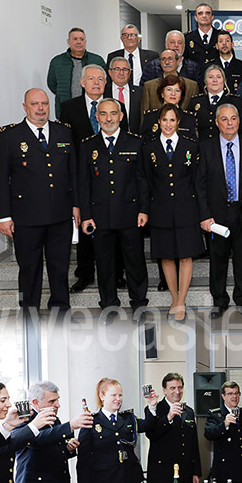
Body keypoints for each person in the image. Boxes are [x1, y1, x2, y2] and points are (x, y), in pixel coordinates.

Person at [0, 88, 79, 313]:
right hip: (26, 216)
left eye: (44, 104)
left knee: (59, 266)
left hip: (60, 214)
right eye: (35, 104)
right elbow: (1, 179)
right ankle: (29, 310)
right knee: (29, 268)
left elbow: (73, 173)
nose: (40, 108)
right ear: (25, 107)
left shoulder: (64, 132)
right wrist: (3, 216)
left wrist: (77, 205)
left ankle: (60, 307)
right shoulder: (9, 136)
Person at [60, 64, 129, 294]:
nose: (97, 83)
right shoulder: (69, 108)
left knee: (114, 232)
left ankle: (117, 276)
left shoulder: (115, 107)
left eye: (101, 79)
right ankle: (85, 275)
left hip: (111, 180)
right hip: (82, 178)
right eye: (92, 79)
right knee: (86, 231)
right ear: (82, 82)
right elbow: (65, 145)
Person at [79, 98, 149, 319]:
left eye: (112, 114)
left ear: (121, 116)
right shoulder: (88, 145)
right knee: (105, 263)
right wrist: (86, 216)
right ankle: (109, 305)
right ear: (97, 117)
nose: (108, 118)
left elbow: (143, 180)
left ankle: (139, 303)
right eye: (103, 114)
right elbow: (84, 184)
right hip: (100, 216)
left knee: (135, 262)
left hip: (130, 213)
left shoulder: (135, 143)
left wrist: (144, 210)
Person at [140, 104, 203, 322]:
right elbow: (146, 181)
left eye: (172, 120)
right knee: (166, 255)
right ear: (158, 122)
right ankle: (174, 298)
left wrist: (203, 212)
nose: (168, 124)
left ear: (178, 123)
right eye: (164, 120)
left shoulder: (191, 146)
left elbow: (197, 181)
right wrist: (144, 210)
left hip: (187, 208)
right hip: (160, 209)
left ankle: (182, 300)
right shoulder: (149, 148)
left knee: (185, 255)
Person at [196, 104, 242, 318]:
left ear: (239, 121)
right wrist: (204, 215)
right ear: (216, 122)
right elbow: (200, 184)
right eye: (224, 119)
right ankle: (219, 302)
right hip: (216, 215)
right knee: (217, 259)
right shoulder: (205, 147)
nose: (229, 123)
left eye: (233, 118)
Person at [77, 377, 159, 483]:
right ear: (102, 396)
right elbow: (83, 458)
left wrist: (152, 405)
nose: (118, 399)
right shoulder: (91, 421)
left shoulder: (128, 419)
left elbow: (149, 425)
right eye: (113, 395)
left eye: (120, 395)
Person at [144, 373, 201, 483]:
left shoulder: (189, 411)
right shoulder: (155, 409)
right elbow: (151, 434)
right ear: (164, 390)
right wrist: (169, 417)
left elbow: (193, 443)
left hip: (185, 474)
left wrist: (196, 472)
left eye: (180, 387)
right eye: (172, 388)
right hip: (162, 476)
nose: (177, 391)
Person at [47, 27, 106, 118]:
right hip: (65, 108)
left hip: (92, 109)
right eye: (75, 39)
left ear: (85, 42)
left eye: (81, 39)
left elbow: (105, 82)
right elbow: (52, 84)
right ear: (68, 42)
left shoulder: (97, 60)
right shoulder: (57, 61)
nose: (79, 42)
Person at [204, 381, 242, 483]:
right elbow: (208, 434)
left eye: (236, 393)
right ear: (223, 396)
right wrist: (224, 424)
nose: (234, 397)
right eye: (230, 394)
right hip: (224, 470)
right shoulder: (215, 414)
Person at [187, 65, 242, 140]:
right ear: (205, 81)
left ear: (224, 80)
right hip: (201, 147)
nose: (215, 80)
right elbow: (189, 128)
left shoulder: (235, 101)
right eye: (211, 77)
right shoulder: (196, 101)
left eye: (218, 77)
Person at [140, 75, 197, 143]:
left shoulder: (189, 118)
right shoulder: (150, 117)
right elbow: (143, 144)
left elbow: (193, 145)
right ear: (162, 94)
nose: (173, 93)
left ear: (181, 96)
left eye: (177, 90)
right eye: (169, 89)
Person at [106, 56, 143, 133]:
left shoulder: (140, 92)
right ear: (110, 72)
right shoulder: (103, 92)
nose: (121, 73)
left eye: (125, 69)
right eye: (117, 69)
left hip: (134, 140)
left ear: (129, 73)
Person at [184, 3, 219, 69]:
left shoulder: (221, 36)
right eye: (200, 13)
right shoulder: (187, 38)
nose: (204, 16)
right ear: (195, 18)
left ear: (212, 17)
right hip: (194, 78)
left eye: (207, 13)